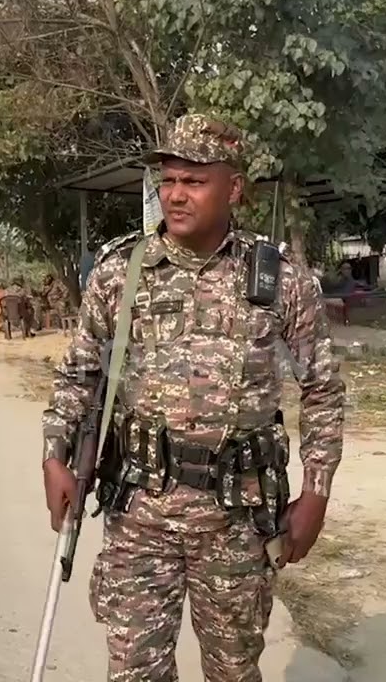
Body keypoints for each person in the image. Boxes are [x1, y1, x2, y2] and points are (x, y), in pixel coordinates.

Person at [41, 114, 346, 681]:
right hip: (138, 512)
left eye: (194, 181)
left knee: (232, 671)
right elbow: (80, 373)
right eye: (168, 180)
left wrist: (317, 491)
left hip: (237, 517)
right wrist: (54, 454)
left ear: (234, 188)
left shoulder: (280, 280)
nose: (176, 195)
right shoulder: (120, 272)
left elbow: (322, 389)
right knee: (134, 670)